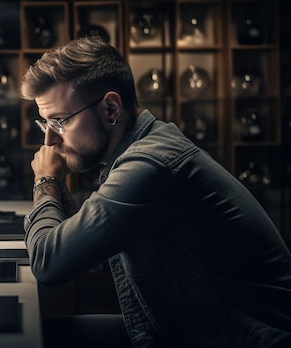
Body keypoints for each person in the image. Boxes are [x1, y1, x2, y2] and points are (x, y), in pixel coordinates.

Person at [20, 36, 291, 347]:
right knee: (42, 336)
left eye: (60, 122)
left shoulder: (150, 165)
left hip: (246, 340)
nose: (50, 142)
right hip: (194, 329)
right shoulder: (138, 154)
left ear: (110, 108)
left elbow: (48, 263)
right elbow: (95, 254)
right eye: (46, 124)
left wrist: (45, 181)